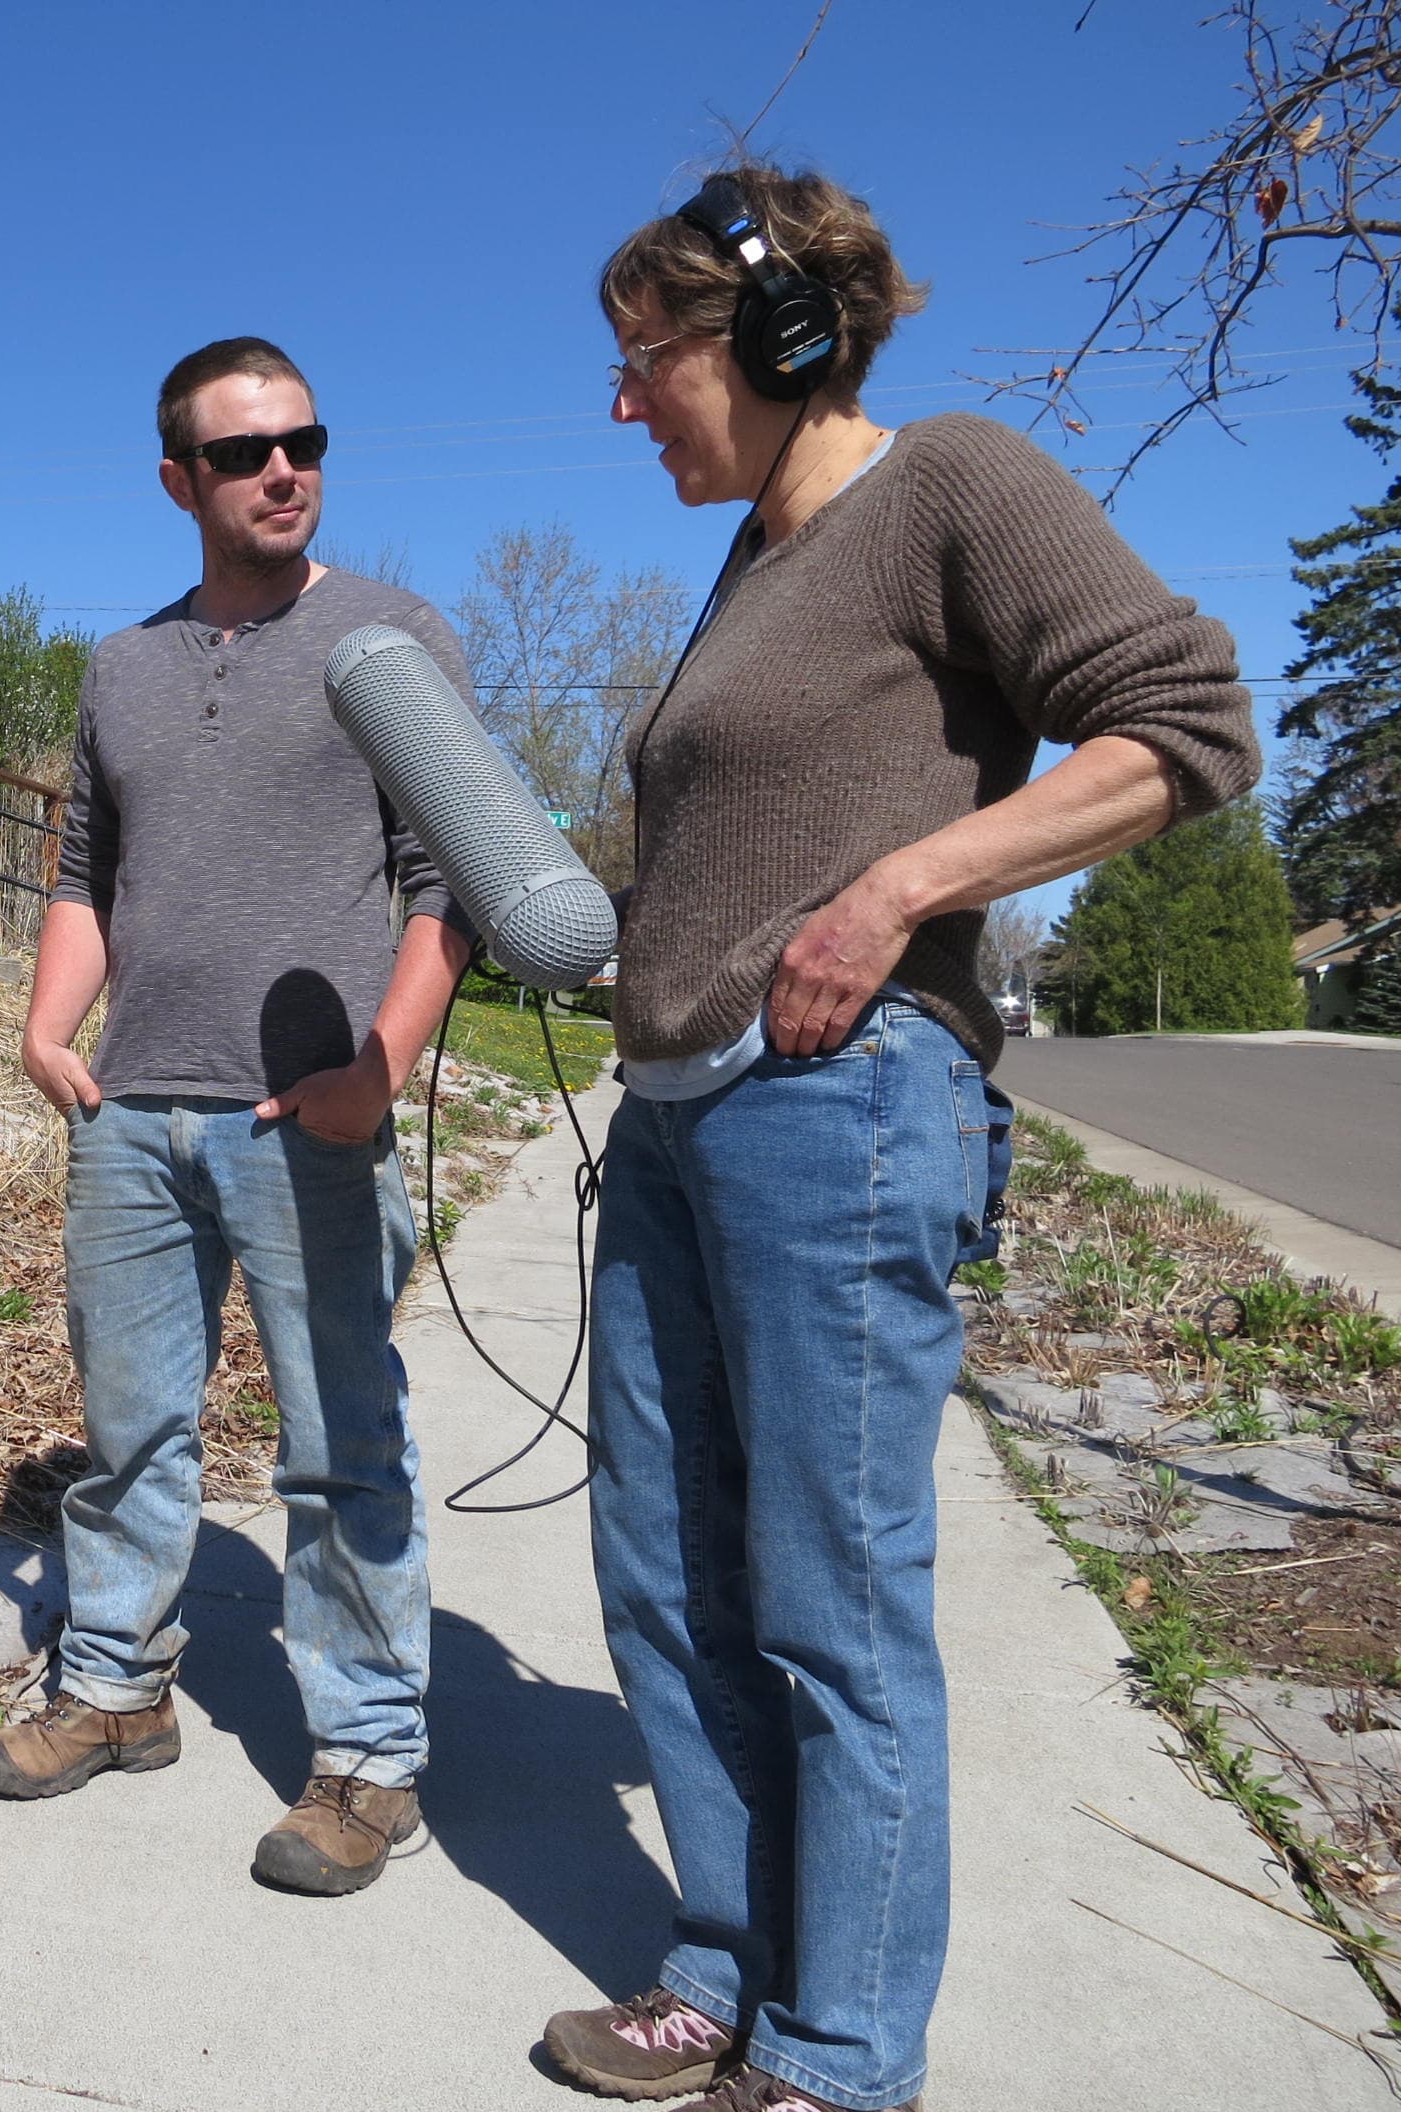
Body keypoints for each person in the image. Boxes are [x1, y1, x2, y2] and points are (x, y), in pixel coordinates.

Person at [537, 166, 1262, 2112]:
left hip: (841, 1111)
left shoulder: (944, 482)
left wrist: (898, 892)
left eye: (642, 361)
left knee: (825, 1605)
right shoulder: (751, 564)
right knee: (664, 1581)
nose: (622, 407)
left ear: (770, 342)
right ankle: (727, 1967)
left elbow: (1186, 721)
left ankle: (842, 2053)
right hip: (683, 1122)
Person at [0, 336, 475, 1897]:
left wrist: (378, 1067)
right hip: (131, 1115)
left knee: (340, 1451)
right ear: (179, 477)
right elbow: (84, 877)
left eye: (305, 440)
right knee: (128, 1435)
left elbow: (451, 879)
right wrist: (49, 1026)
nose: (285, 469)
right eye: (247, 450)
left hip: (305, 1118)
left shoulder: (391, 638)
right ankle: (114, 1689)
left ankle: (371, 1760)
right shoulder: (119, 664)